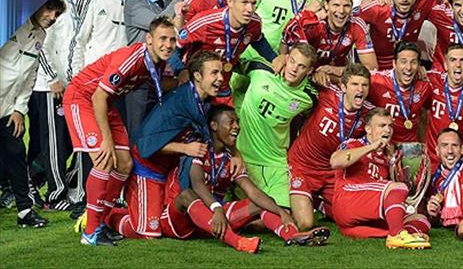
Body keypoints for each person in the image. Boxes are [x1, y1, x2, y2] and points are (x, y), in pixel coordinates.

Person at [64, 16, 178, 246]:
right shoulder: (131, 58)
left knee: (125, 164)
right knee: (104, 160)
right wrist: (106, 140)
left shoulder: (157, 63)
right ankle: (90, 233)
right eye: (162, 39)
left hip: (106, 105)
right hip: (83, 98)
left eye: (172, 40)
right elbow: (98, 96)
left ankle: (101, 221)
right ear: (149, 39)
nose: (168, 45)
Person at [161, 105, 329, 251]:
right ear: (214, 125)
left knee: (261, 203)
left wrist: (280, 212)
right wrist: (217, 208)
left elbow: (252, 191)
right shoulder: (198, 149)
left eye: (237, 122)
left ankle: (293, 236)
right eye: (231, 122)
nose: (236, 127)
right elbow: (197, 185)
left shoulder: (231, 159)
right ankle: (238, 242)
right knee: (187, 195)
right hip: (179, 221)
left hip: (213, 220)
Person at [103, 50, 226, 240]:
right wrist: (185, 148)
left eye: (221, 72)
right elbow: (145, 145)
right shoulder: (178, 104)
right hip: (148, 169)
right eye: (214, 73)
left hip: (171, 170)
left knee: (168, 220)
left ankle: (141, 210)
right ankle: (107, 216)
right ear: (197, 76)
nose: (221, 78)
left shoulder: (205, 100)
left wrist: (235, 155)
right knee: (149, 232)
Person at [0, 0, 66, 228]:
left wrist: (19, 110)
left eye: (57, 14)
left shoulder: (40, 36)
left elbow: (30, 77)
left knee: (17, 154)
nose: (52, 17)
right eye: (49, 9)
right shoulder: (9, 23)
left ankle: (25, 211)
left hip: (8, 108)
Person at [330, 108, 432, 249]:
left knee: (420, 219)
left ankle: (406, 234)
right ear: (368, 129)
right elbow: (335, 162)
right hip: (347, 201)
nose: (387, 130)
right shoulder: (354, 144)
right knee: (397, 187)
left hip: (368, 212)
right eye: (382, 125)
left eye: (390, 126)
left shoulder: (388, 156)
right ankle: (396, 234)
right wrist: (371, 147)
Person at [288, 63, 372, 229]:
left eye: (365, 85)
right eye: (355, 84)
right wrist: (316, 73)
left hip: (332, 173)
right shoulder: (327, 93)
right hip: (303, 166)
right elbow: (305, 76)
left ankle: (318, 202)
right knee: (305, 223)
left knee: (351, 217)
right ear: (343, 87)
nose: (360, 90)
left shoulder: (369, 114)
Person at [237, 44, 318, 208]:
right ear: (286, 58)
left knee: (283, 213)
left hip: (275, 162)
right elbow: (230, 66)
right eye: (292, 61)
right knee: (255, 209)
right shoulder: (261, 68)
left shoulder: (310, 97)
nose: (294, 69)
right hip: (241, 156)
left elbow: (305, 119)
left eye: (301, 66)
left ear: (309, 71)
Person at [27, 0, 83, 211]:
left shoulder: (71, 3)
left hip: (65, 84)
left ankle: (30, 179)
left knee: (66, 141)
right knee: (54, 143)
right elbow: (40, 43)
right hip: (49, 86)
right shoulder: (52, 2)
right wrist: (52, 79)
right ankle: (56, 194)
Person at [173, 0, 273, 106]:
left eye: (253, 3)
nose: (250, 9)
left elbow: (258, 40)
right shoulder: (205, 23)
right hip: (197, 87)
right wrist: (180, 70)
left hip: (222, 88)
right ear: (230, 2)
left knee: (228, 118)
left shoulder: (254, 23)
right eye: (244, 2)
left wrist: (275, 59)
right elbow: (174, 47)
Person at [281, 0, 377, 85]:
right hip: (305, 75)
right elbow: (285, 41)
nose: (341, 11)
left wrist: (336, 70)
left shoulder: (357, 26)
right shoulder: (314, 24)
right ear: (326, 5)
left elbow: (372, 68)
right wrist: (282, 58)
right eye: (336, 5)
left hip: (336, 77)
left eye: (346, 6)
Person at [122, 0, 172, 135]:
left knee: (160, 135)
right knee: (138, 136)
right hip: (139, 83)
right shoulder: (133, 2)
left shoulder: (171, 3)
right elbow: (160, 24)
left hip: (166, 81)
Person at [69, 0, 140, 79]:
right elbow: (79, 40)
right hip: (93, 75)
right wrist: (76, 75)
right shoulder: (96, 2)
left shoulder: (139, 8)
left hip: (123, 77)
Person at [359, 0, 437, 69]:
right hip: (378, 66)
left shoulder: (425, 1)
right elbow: (352, 20)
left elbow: (448, 5)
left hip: (409, 65)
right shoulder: (377, 7)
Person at [367, 42, 432, 143]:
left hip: (410, 147)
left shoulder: (424, 86)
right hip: (383, 145)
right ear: (394, 63)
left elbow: (425, 114)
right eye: (403, 62)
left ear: (419, 65)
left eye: (413, 62)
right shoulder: (376, 81)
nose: (408, 67)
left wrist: (422, 143)